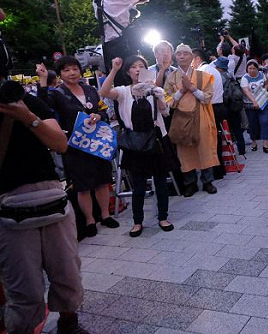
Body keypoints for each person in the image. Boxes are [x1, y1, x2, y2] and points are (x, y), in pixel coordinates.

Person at [0, 68, 89, 333]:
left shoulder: (24, 100)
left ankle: (69, 322)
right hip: (7, 205)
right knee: (24, 286)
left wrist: (27, 117)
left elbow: (60, 143)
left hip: (50, 196)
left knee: (67, 271)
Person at [37, 56, 119, 238]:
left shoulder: (90, 89)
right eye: (66, 70)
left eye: (74, 68)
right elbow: (42, 107)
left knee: (102, 181)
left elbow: (102, 109)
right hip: (76, 145)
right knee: (82, 186)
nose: (71, 73)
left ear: (80, 71)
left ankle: (105, 215)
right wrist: (42, 80)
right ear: (60, 74)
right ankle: (90, 220)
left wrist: (98, 115)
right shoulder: (58, 93)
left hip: (97, 143)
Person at [99, 55, 175, 237]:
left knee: (160, 182)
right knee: (138, 185)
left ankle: (163, 217)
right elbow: (104, 92)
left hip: (156, 139)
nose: (138, 69)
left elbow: (165, 113)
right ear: (128, 72)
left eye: (141, 66)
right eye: (133, 67)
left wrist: (159, 96)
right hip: (135, 143)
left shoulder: (154, 89)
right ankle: (137, 221)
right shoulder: (123, 91)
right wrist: (114, 69)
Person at [164, 44, 219, 196]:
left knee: (204, 147)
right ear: (176, 57)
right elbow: (168, 101)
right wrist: (182, 90)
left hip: (201, 115)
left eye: (185, 54)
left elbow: (207, 97)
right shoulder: (171, 77)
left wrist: (193, 88)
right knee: (184, 151)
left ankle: (208, 182)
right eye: (179, 54)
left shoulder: (202, 76)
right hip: (181, 117)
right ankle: (190, 183)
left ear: (192, 57)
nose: (181, 56)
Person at [93, 0, 147, 81]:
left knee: (120, 86)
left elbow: (115, 14)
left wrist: (134, 2)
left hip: (109, 49)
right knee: (136, 82)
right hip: (124, 45)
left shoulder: (97, 1)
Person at [194, 48, 226, 180]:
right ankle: (219, 170)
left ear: (197, 59)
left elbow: (201, 93)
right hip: (219, 106)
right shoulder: (213, 69)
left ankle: (215, 171)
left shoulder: (202, 71)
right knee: (216, 140)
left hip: (210, 107)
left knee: (210, 141)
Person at [215, 56, 246, 157]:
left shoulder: (220, 77)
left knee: (226, 129)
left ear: (219, 67)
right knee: (237, 128)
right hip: (235, 104)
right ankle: (242, 150)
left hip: (226, 105)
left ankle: (230, 151)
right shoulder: (230, 75)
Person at [241, 59, 268, 153]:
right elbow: (246, 91)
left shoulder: (262, 75)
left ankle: (265, 143)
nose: (252, 70)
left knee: (264, 122)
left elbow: (266, 84)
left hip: (262, 103)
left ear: (257, 68)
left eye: (254, 68)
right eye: (250, 68)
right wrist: (254, 101)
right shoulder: (245, 78)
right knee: (252, 124)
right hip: (250, 105)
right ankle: (254, 142)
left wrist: (264, 91)